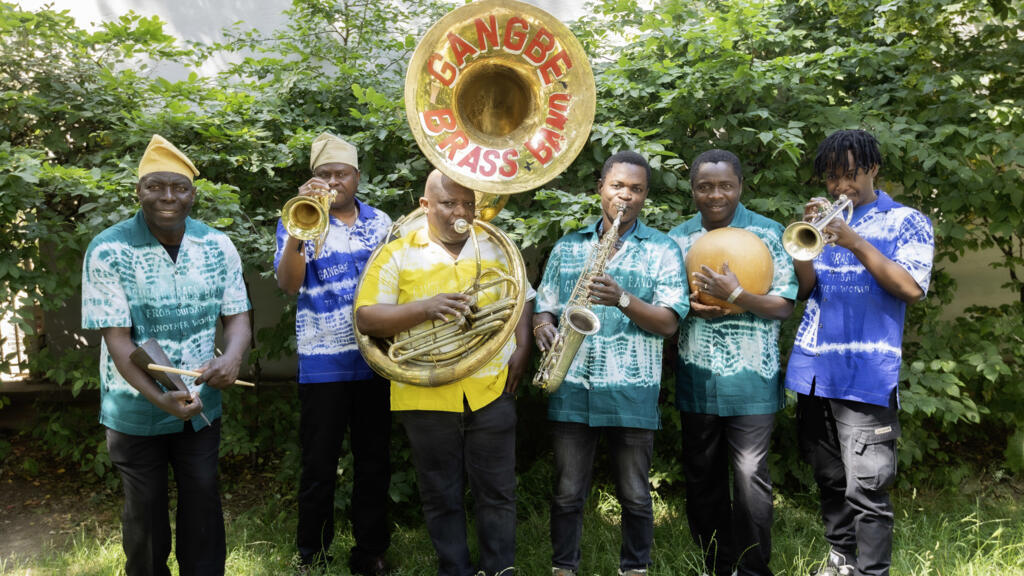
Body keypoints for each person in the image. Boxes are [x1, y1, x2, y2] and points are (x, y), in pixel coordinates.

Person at [81, 134, 252, 576]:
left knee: (202, 503)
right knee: (145, 514)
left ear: (193, 194)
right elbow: (118, 341)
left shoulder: (218, 246)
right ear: (138, 191)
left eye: (178, 187)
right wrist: (160, 400)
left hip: (200, 403)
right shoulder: (108, 248)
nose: (167, 197)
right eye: (155, 186)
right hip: (134, 408)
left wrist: (232, 359)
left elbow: (237, 320)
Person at [354, 169, 534, 576]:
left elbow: (521, 295)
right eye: (449, 203)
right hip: (424, 393)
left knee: (499, 492)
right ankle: (454, 569)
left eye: (468, 204)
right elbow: (366, 318)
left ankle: (500, 569)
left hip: (491, 387)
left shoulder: (493, 245)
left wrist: (522, 346)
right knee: (440, 493)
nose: (461, 212)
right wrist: (425, 308)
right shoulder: (397, 253)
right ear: (425, 206)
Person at [785, 129, 934, 576]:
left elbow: (910, 287)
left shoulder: (907, 220)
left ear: (873, 169)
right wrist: (805, 247)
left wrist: (853, 240)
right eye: (832, 178)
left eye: (849, 175)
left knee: (867, 487)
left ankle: (871, 571)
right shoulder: (827, 221)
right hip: (813, 369)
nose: (839, 187)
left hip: (866, 372)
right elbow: (805, 289)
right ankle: (841, 560)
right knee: (829, 478)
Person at [533, 150, 689, 576]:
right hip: (571, 384)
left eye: (636, 189)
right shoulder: (568, 246)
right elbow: (544, 304)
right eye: (618, 186)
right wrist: (541, 326)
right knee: (567, 493)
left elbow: (669, 323)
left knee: (637, 494)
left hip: (631, 389)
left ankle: (634, 568)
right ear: (600, 188)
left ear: (645, 197)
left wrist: (622, 297)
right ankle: (564, 567)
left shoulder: (662, 249)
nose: (626, 196)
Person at [667, 149, 797, 576]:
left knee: (750, 480)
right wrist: (686, 306)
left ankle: (754, 568)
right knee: (702, 478)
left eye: (725, 185)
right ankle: (717, 565)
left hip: (751, 379)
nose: (715, 194)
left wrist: (737, 296)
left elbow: (782, 306)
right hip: (697, 377)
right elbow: (667, 307)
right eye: (705, 186)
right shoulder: (677, 239)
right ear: (693, 191)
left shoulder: (769, 233)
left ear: (740, 186)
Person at [274, 133, 394, 575]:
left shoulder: (381, 222)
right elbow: (289, 285)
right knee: (318, 465)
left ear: (357, 177)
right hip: (322, 363)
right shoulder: (297, 219)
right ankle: (312, 554)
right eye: (323, 174)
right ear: (312, 180)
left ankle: (370, 552)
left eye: (340, 174)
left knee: (374, 462)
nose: (332, 181)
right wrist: (298, 232)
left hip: (375, 361)